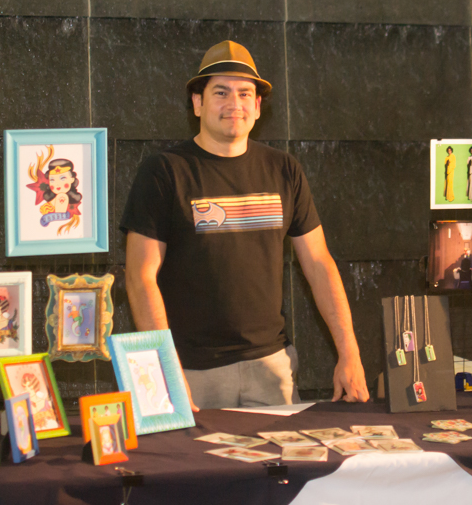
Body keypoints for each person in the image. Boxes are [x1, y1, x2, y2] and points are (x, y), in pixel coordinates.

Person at [121, 41, 368, 410]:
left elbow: (319, 263)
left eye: (244, 93)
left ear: (257, 106)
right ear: (197, 103)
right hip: (190, 372)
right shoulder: (163, 172)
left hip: (272, 369)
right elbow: (140, 277)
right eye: (220, 92)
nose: (234, 103)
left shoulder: (285, 170)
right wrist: (165, 371)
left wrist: (350, 353)